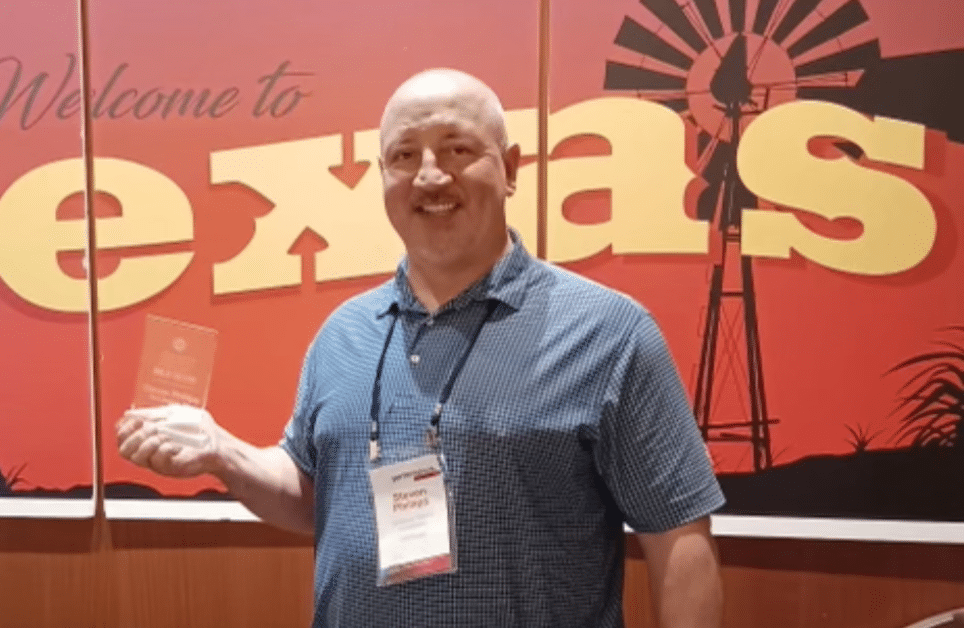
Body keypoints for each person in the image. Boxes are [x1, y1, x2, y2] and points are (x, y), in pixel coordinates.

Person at [116, 68, 725, 627]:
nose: (430, 175)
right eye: (404, 156)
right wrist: (221, 451)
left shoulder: (609, 333)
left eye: (457, 149)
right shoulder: (343, 334)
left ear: (510, 168)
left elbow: (679, 537)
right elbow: (311, 493)